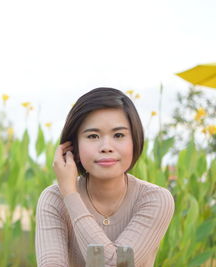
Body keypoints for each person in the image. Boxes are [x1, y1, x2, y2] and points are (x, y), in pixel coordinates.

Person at [35, 87, 174, 267]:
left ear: (135, 140)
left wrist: (70, 194)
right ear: (73, 147)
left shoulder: (154, 199)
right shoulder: (54, 199)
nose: (106, 147)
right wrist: (67, 193)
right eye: (93, 136)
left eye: (118, 135)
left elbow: (114, 264)